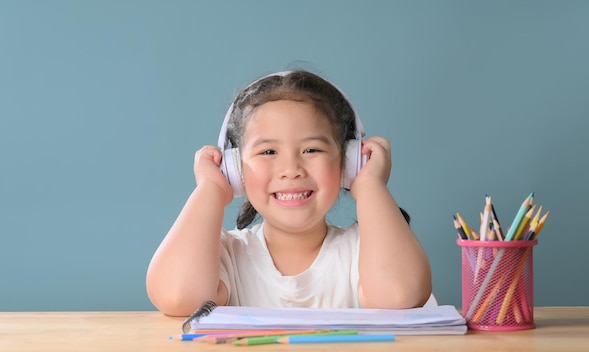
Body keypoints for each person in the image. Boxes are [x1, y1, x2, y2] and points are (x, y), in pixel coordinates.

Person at [146, 70, 432, 317]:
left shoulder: (364, 250)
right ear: (235, 169)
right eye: (268, 151)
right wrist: (210, 189)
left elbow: (398, 296)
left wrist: (371, 186)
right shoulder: (221, 255)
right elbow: (176, 296)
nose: (291, 169)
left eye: (312, 150)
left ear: (349, 162)